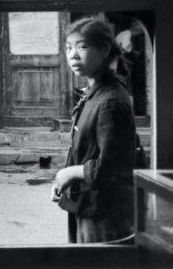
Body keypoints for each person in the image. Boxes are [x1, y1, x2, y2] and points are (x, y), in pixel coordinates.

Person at [51, 17, 136, 243]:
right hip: (87, 203)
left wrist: (68, 174)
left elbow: (109, 167)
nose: (72, 55)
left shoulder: (110, 101)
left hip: (103, 212)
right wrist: (65, 183)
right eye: (68, 48)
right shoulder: (94, 93)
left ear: (105, 49)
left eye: (82, 46)